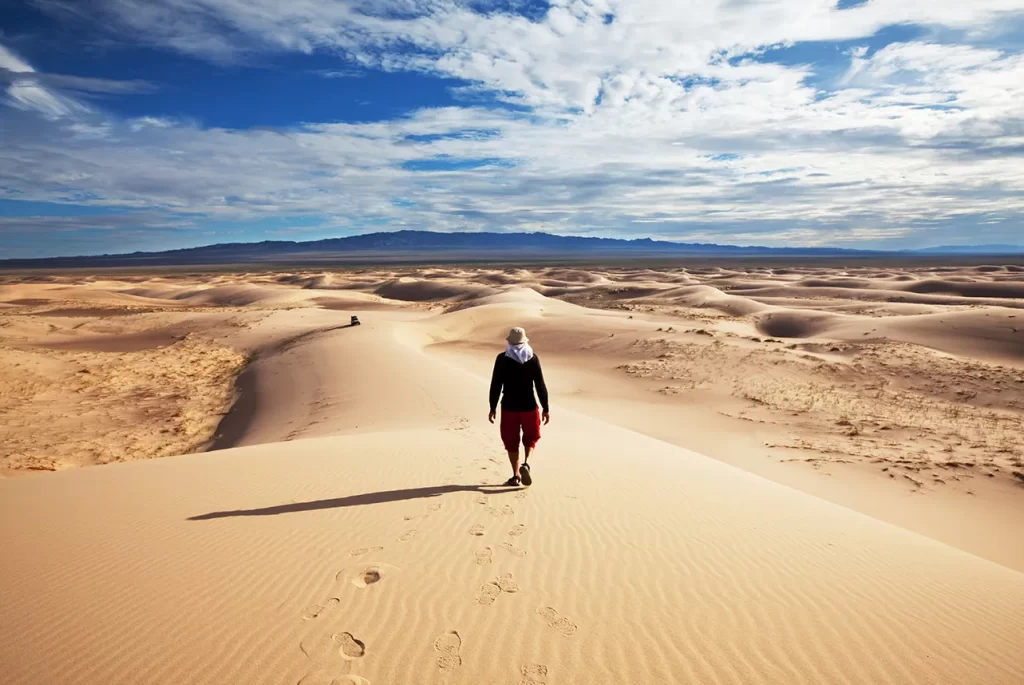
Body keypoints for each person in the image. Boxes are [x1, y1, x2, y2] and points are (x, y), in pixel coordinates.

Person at [488, 327, 550, 486]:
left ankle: (515, 476)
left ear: (509, 342)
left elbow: (496, 385)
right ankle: (526, 464)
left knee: (511, 441)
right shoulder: (532, 358)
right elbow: (540, 385)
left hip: (509, 407)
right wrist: (545, 408)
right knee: (531, 438)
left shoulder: (502, 359)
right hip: (529, 406)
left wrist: (492, 407)